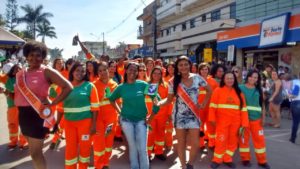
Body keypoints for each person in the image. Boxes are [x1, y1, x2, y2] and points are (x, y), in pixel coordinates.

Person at [14, 41, 73, 169]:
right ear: (26, 56)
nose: (34, 58)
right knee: (33, 152)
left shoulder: (46, 71)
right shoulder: (21, 73)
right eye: (31, 55)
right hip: (23, 116)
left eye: (38, 55)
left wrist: (53, 102)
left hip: (38, 115)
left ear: (43, 57)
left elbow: (68, 87)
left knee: (36, 153)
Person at [156, 56, 212, 169]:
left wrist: (204, 103)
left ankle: (190, 163)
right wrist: (157, 103)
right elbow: (169, 100)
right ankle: (183, 166)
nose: (183, 67)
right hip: (179, 116)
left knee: (195, 144)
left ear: (190, 65)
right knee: (181, 143)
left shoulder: (197, 78)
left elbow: (209, 90)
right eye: (180, 65)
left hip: (193, 115)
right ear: (177, 67)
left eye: (186, 64)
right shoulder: (173, 81)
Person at [109, 62, 159, 169]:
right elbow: (112, 99)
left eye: (135, 70)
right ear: (126, 71)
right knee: (132, 147)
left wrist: (150, 118)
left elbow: (156, 100)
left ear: (137, 72)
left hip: (142, 121)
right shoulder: (121, 87)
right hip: (126, 121)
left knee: (142, 148)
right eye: (130, 69)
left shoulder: (143, 84)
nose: (132, 72)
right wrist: (120, 112)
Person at [56, 62, 99, 169]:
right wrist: (57, 124)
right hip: (69, 124)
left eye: (82, 71)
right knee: (70, 149)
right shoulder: (65, 87)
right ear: (72, 72)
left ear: (85, 73)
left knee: (85, 149)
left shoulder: (90, 86)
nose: (80, 73)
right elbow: (60, 109)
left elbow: (95, 108)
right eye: (77, 70)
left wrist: (93, 126)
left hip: (86, 124)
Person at [209, 71, 248, 169]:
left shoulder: (239, 93)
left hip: (236, 122)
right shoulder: (218, 90)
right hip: (222, 121)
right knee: (220, 141)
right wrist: (212, 119)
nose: (230, 80)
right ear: (224, 79)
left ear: (234, 80)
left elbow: (243, 110)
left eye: (232, 78)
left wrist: (244, 123)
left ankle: (227, 158)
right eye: (228, 78)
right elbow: (212, 107)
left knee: (233, 141)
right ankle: (217, 160)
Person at [238, 70, 270, 169]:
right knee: (244, 140)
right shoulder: (240, 88)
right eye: (251, 76)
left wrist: (263, 118)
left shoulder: (259, 89)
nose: (253, 79)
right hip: (244, 120)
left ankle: (262, 161)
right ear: (248, 77)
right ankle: (245, 159)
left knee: (260, 141)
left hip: (257, 119)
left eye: (256, 77)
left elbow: (262, 105)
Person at [93, 62, 119, 169]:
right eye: (100, 71)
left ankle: (106, 163)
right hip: (98, 120)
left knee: (108, 142)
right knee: (99, 143)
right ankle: (98, 165)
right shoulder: (93, 85)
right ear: (97, 73)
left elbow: (118, 102)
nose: (103, 72)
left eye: (104, 69)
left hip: (110, 120)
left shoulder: (114, 85)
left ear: (109, 70)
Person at [0, 64, 27, 150]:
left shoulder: (25, 78)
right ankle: (13, 141)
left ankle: (23, 142)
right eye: (15, 68)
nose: (18, 70)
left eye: (19, 68)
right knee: (12, 124)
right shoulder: (6, 78)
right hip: (12, 106)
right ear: (11, 70)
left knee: (24, 125)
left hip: (23, 106)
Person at [147, 66, 169, 161]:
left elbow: (170, 100)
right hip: (150, 114)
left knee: (160, 134)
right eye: (155, 73)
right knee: (150, 134)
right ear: (151, 74)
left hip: (162, 114)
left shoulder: (166, 85)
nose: (157, 75)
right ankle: (147, 154)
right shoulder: (147, 85)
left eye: (159, 73)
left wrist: (169, 114)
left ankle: (159, 152)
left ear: (161, 75)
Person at [197, 63, 219, 150]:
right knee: (200, 126)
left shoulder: (213, 81)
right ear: (199, 71)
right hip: (200, 107)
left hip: (210, 107)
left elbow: (217, 94)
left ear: (208, 70)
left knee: (211, 126)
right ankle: (200, 143)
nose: (204, 71)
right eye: (202, 69)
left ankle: (212, 143)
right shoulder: (196, 80)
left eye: (206, 69)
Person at [288, 75, 300, 143]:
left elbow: (295, 94)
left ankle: (293, 138)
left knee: (295, 122)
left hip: (297, 102)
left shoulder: (298, 84)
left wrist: (289, 95)